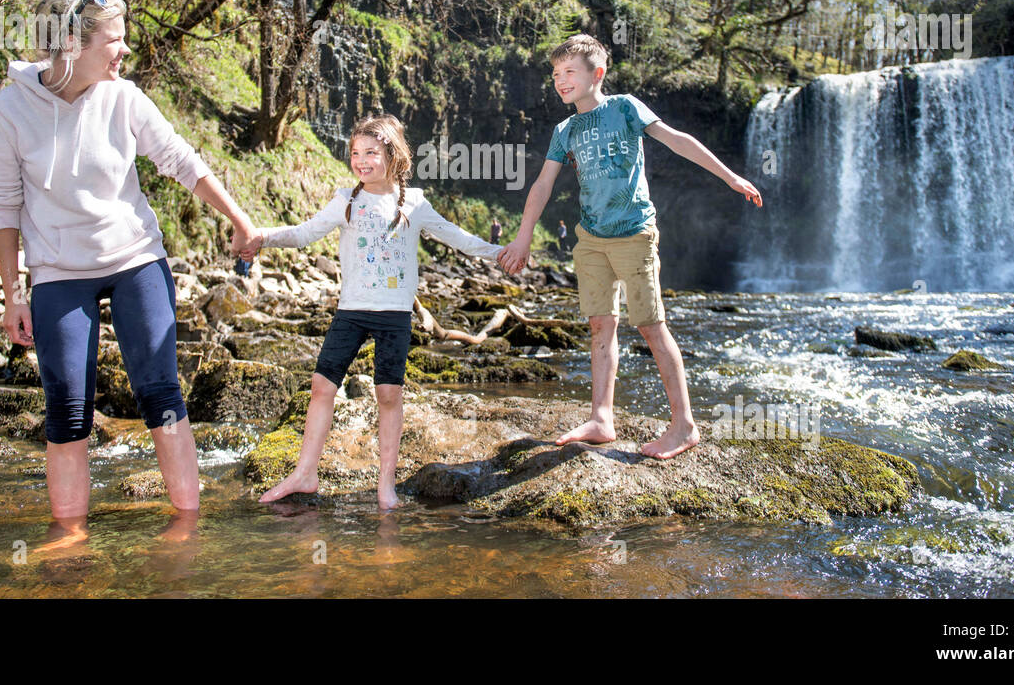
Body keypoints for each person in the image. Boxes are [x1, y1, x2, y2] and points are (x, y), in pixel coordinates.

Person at [0, 0, 260, 545]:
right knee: (67, 410)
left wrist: (239, 218)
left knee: (160, 395)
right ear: (73, 45)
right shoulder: (5, 114)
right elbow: (2, 210)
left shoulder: (124, 99)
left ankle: (187, 528)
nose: (125, 51)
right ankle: (68, 540)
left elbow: (182, 161)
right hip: (58, 273)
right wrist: (11, 295)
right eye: (116, 40)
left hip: (135, 259)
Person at [499, 34, 761, 459]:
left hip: (635, 233)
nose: (560, 81)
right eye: (555, 75)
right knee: (601, 325)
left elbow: (678, 140)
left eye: (570, 73)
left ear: (596, 74)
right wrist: (523, 235)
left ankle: (684, 426)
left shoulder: (625, 107)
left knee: (651, 326)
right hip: (591, 240)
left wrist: (730, 177)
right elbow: (543, 184)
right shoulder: (565, 129)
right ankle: (601, 418)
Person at [252, 114, 509, 509]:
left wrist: (500, 253)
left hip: (394, 315)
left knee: (388, 395)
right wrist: (262, 237)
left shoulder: (416, 203)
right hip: (351, 311)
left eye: (371, 152)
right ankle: (305, 471)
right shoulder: (346, 199)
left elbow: (457, 238)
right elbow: (304, 233)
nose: (361, 160)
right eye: (355, 153)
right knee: (322, 387)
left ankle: (385, 486)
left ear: (392, 154)